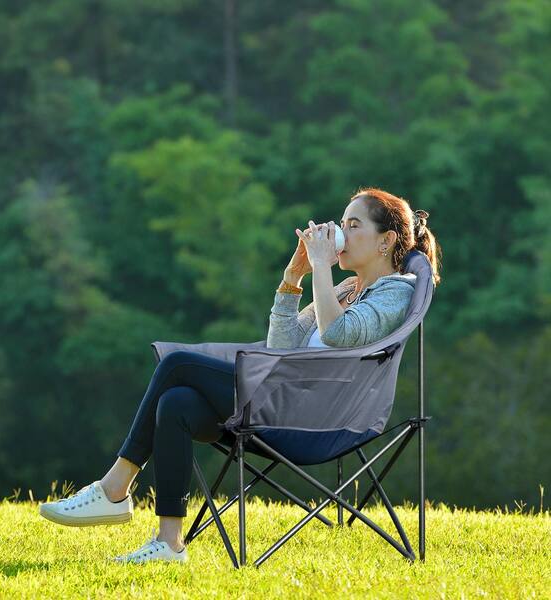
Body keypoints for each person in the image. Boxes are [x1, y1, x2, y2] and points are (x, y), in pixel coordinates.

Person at [38, 187, 442, 564]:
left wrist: (321, 265)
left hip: (322, 420)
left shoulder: (397, 291)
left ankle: (115, 488)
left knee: (177, 363)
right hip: (288, 406)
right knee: (176, 403)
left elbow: (338, 335)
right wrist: (293, 279)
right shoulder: (341, 291)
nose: (342, 232)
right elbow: (280, 347)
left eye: (354, 226)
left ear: (386, 241)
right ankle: (168, 542)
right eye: (343, 223)